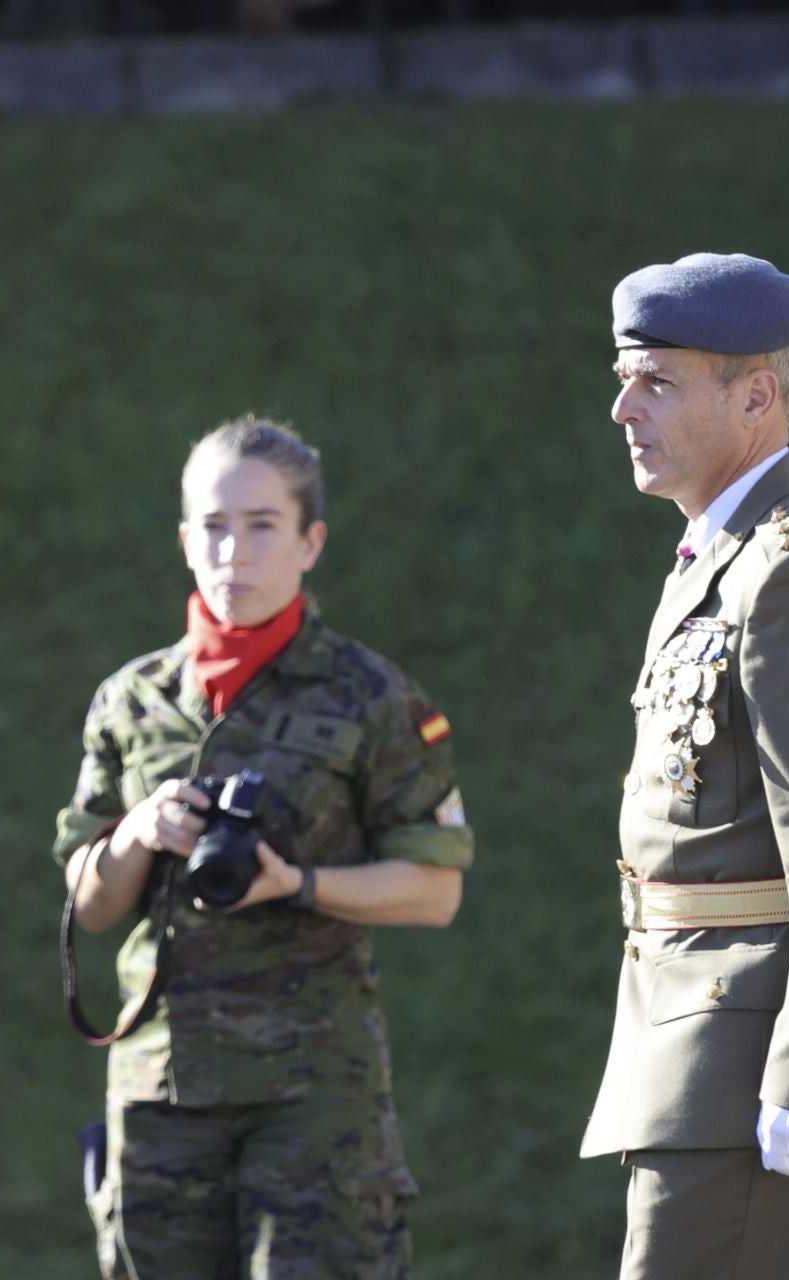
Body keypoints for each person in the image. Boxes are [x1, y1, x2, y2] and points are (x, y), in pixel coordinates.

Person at [55, 416, 471, 1279]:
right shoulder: (132, 701)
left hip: (314, 1089)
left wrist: (298, 882)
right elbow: (90, 908)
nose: (233, 552)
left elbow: (435, 890)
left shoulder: (372, 697)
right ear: (184, 540)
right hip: (161, 1083)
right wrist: (139, 831)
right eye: (213, 526)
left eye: (262, 525)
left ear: (310, 542)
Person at [582, 252, 789, 1277]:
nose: (623, 408)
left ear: (756, 396)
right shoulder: (722, 554)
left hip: (747, 1058)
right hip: (692, 1041)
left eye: (657, 381)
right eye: (623, 378)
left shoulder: (788, 566)